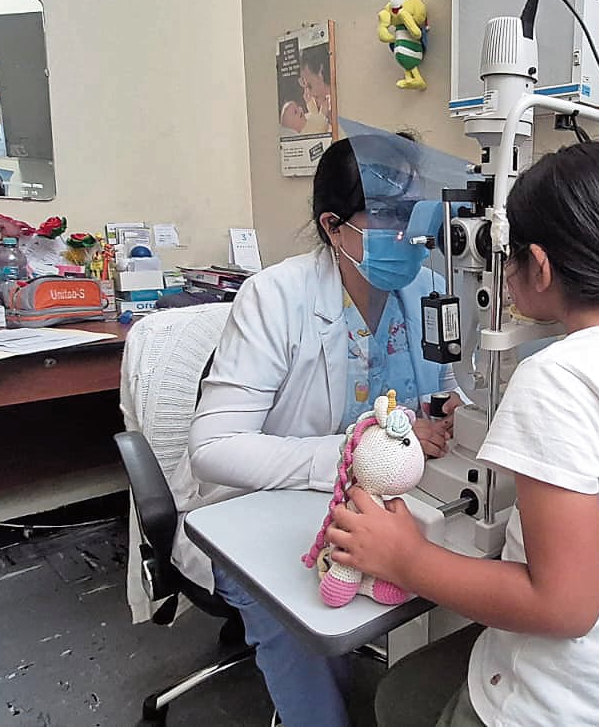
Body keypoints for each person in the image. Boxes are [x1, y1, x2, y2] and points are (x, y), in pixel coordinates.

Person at [332, 142, 599, 726]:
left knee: (405, 696)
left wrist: (406, 558)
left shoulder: (558, 375)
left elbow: (564, 607)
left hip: (560, 709)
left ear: (539, 264)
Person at [182, 135, 459, 727]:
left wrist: (454, 409)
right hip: (262, 512)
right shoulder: (275, 297)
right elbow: (213, 448)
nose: (408, 233)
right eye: (387, 216)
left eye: (414, 214)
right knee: (300, 625)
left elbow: (441, 389)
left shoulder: (426, 288)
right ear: (334, 228)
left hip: (386, 506)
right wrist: (354, 452)